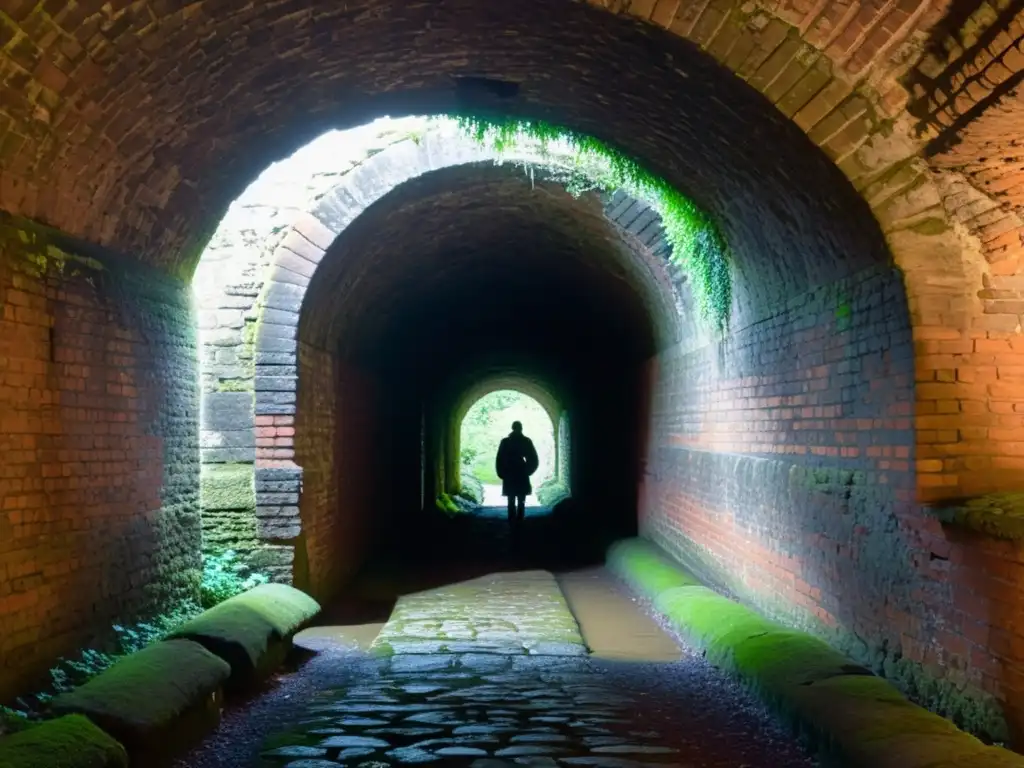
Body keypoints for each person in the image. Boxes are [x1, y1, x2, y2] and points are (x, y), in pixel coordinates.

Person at [495, 421, 539, 528]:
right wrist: (528, 470)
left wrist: (501, 472)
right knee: (521, 497)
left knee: (511, 497)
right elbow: (533, 458)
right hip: (521, 472)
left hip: (510, 472)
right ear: (521, 428)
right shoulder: (526, 441)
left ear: (512, 428)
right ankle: (520, 519)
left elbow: (499, 458)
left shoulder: (505, 442)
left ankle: (511, 519)